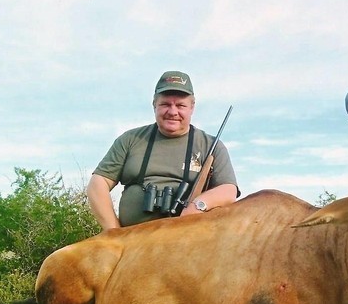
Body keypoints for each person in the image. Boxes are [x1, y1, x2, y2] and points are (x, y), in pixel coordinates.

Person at [87, 70, 239, 230]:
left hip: (188, 240)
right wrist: (113, 232)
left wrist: (197, 205)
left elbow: (228, 190)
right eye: (166, 104)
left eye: (180, 105)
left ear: (192, 107)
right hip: (131, 241)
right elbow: (98, 183)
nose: (173, 112)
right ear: (154, 105)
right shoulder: (130, 139)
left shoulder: (211, 145)